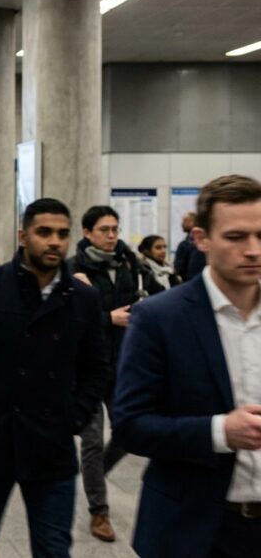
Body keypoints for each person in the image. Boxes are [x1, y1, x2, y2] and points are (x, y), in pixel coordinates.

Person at [0, 198, 110, 558]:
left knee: (53, 548)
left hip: (53, 449)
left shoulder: (84, 299)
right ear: (23, 236)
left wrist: (73, 417)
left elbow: (97, 369)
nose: (55, 241)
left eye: (62, 233)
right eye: (44, 232)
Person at [113, 175, 261, 558]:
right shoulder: (160, 318)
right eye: (236, 237)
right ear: (201, 239)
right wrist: (219, 431)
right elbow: (131, 425)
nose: (253, 250)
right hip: (193, 530)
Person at [68, 205, 164, 541]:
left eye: (115, 229)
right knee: (92, 440)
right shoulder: (72, 270)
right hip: (88, 368)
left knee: (128, 432)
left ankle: (93, 473)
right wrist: (107, 318)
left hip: (124, 364)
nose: (112, 235)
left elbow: (160, 298)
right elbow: (61, 320)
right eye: (105, 230)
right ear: (88, 233)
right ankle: (99, 511)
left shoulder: (130, 265)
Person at [174, 210, 206, 281]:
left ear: (195, 222)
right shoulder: (205, 240)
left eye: (185, 221)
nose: (182, 224)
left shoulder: (186, 244)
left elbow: (179, 268)